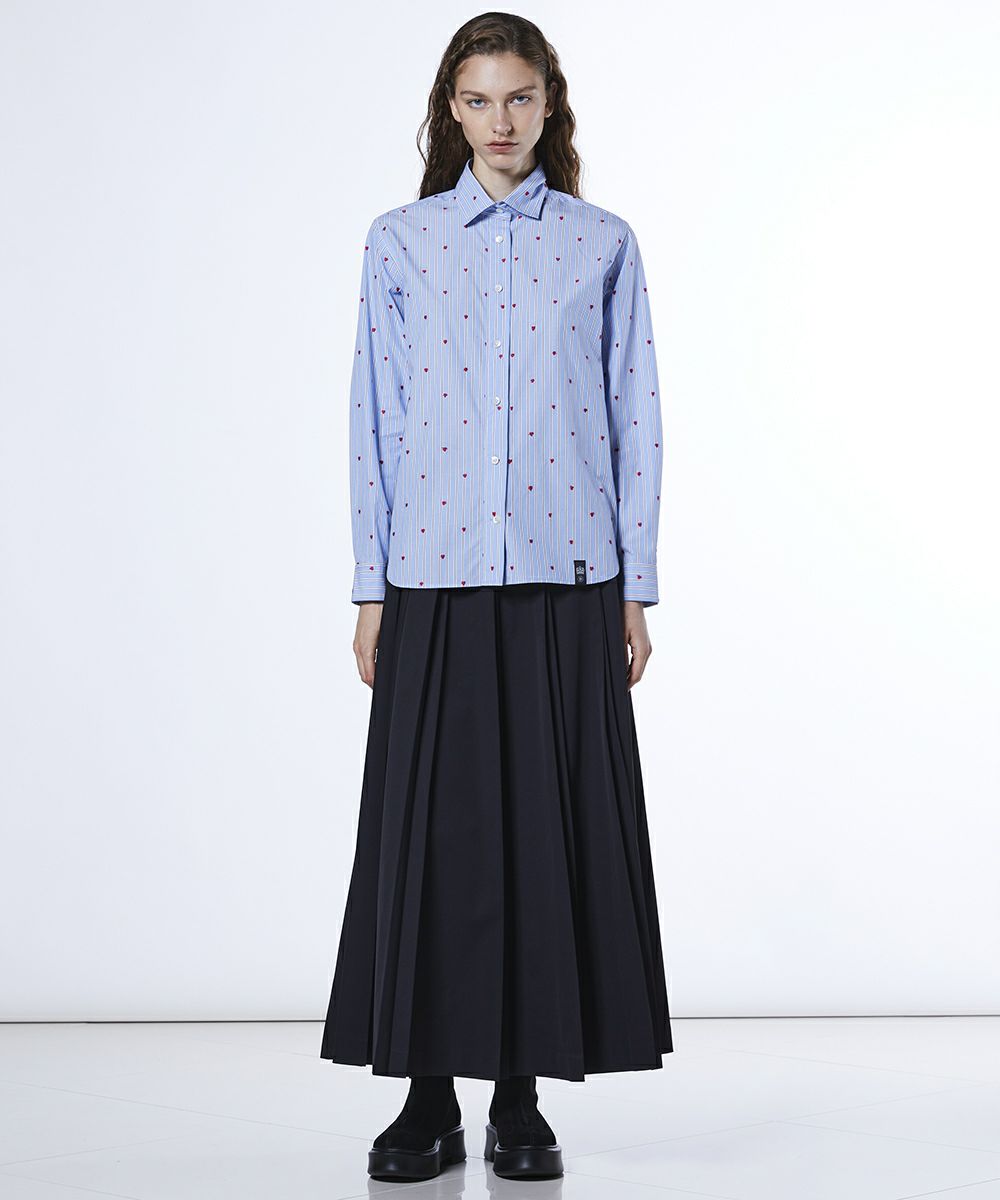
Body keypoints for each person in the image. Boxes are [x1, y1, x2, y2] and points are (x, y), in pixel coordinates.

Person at [319, 11, 673, 1184]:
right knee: (433, 841)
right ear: (451, 111)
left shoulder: (602, 243)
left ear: (549, 103)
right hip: (431, 576)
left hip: (569, 579)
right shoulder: (401, 243)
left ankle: (520, 1098)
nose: (501, 120)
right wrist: (370, 587)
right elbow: (373, 416)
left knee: (544, 842)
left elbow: (633, 416)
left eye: (519, 97)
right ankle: (426, 1097)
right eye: (478, 100)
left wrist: (634, 588)